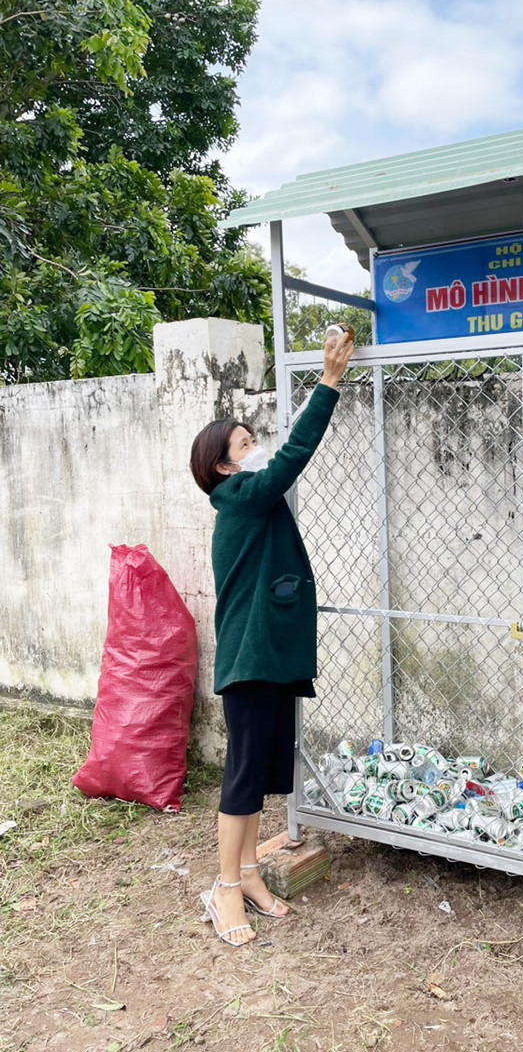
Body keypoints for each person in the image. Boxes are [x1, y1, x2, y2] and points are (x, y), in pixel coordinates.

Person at [188, 329, 354, 947]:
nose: (259, 448)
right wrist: (329, 383)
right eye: (246, 444)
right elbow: (293, 457)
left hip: (269, 655)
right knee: (242, 773)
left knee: (258, 770)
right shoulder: (239, 496)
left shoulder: (251, 499)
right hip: (250, 659)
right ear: (225, 465)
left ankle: (250, 873)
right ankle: (224, 889)